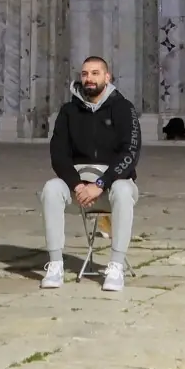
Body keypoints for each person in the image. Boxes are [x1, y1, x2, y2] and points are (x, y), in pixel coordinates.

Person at [40, 56, 140, 294]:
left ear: (107, 77)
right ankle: (55, 264)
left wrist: (100, 184)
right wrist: (77, 185)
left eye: (95, 73)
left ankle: (116, 266)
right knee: (51, 189)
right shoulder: (68, 111)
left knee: (124, 190)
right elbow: (58, 154)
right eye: (85, 74)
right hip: (79, 191)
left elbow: (130, 152)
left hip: (109, 187)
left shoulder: (123, 109)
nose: (89, 78)